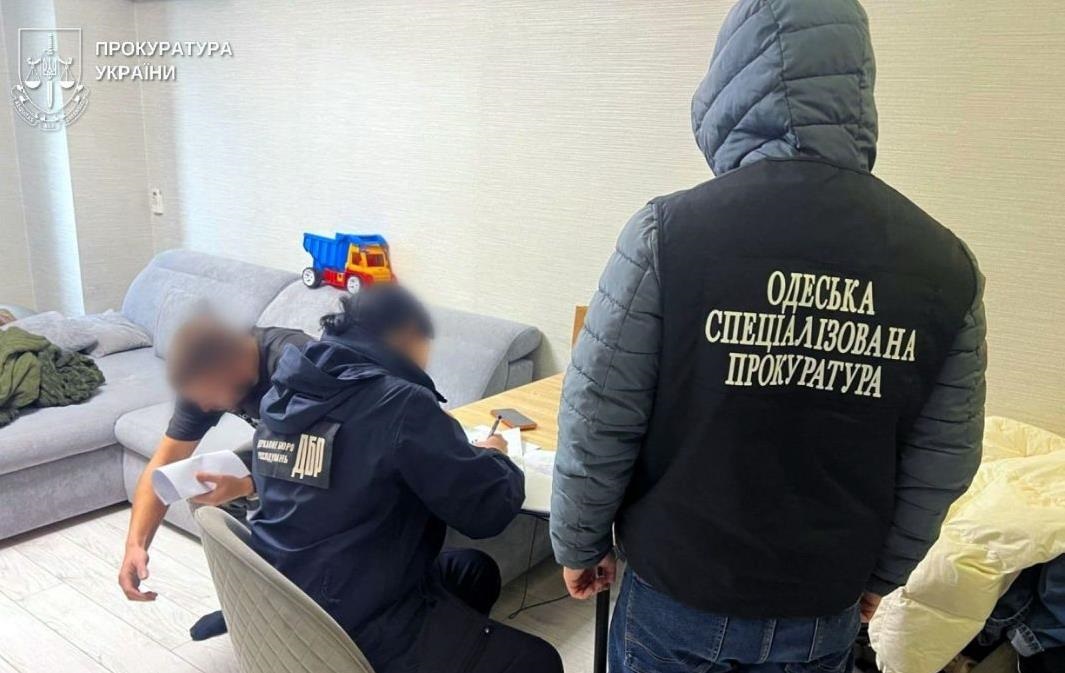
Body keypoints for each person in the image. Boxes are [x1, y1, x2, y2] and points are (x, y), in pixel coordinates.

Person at [550, 1, 988, 672]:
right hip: (821, 600)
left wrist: (579, 541)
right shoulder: (945, 266)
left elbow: (599, 412)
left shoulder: (669, 234)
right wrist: (885, 573)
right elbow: (943, 459)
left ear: (731, 80)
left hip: (677, 584)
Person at [249, 285, 563, 673]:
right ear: (407, 335)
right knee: (539, 661)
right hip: (356, 618)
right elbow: (487, 509)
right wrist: (496, 454)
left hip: (286, 595)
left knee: (472, 571)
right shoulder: (398, 403)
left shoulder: (286, 390)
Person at [118, 314, 311, 640]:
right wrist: (135, 545)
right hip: (280, 447)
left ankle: (298, 611)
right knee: (211, 502)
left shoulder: (296, 364)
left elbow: (333, 456)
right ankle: (245, 601)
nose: (205, 407)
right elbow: (163, 464)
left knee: (287, 510)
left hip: (336, 454)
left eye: (209, 396)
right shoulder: (205, 379)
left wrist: (249, 485)